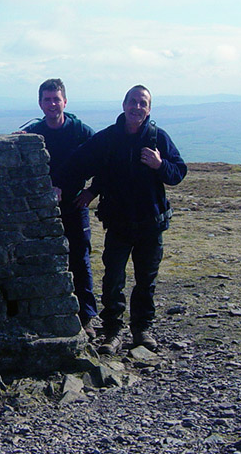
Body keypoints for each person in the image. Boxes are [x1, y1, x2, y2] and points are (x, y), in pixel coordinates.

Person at [54, 85, 187, 354]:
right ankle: (112, 332)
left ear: (149, 109)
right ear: (124, 104)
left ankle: (141, 331)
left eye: (143, 103)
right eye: (133, 102)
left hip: (151, 223)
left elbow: (178, 172)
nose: (137, 107)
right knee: (113, 280)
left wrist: (160, 165)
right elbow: (78, 163)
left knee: (145, 280)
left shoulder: (158, 138)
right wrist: (61, 185)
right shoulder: (108, 139)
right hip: (118, 223)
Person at [21, 78, 98, 337]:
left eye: (56, 99)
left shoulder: (81, 132)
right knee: (42, 258)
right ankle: (46, 312)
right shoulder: (33, 133)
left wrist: (91, 192)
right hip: (41, 208)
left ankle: (86, 317)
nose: (52, 104)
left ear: (65, 101)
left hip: (75, 205)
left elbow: (106, 162)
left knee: (79, 258)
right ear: (40, 103)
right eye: (47, 99)